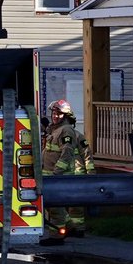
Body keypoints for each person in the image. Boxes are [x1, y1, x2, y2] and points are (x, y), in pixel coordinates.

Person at [41, 99, 95, 241]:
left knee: (56, 208)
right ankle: (70, 227)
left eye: (58, 114)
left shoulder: (66, 131)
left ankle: (57, 236)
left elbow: (67, 153)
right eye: (53, 113)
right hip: (50, 174)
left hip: (58, 175)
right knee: (51, 206)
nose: (55, 116)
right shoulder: (55, 130)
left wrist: (57, 172)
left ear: (65, 116)